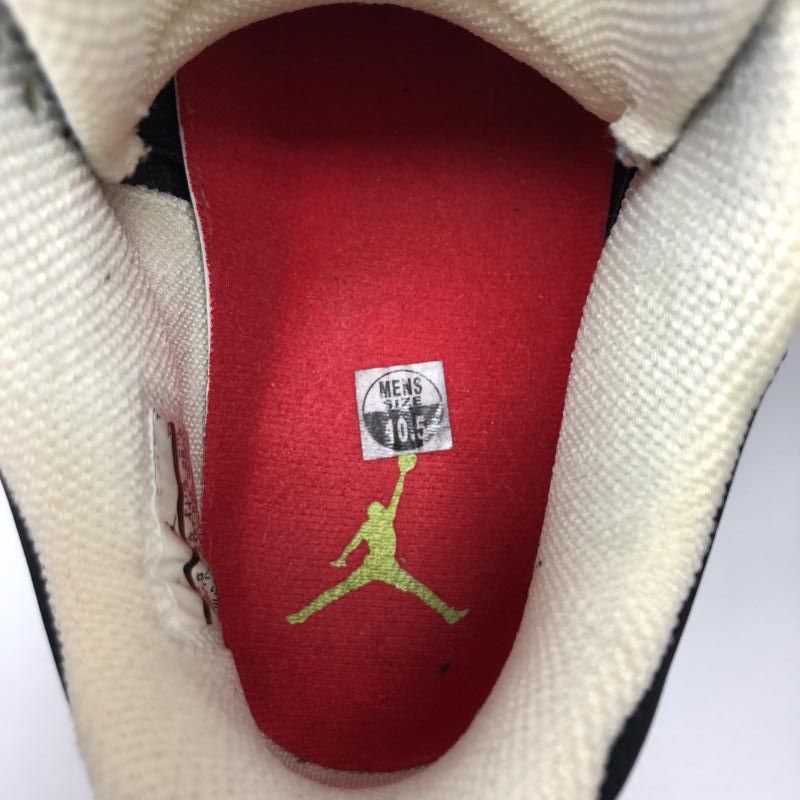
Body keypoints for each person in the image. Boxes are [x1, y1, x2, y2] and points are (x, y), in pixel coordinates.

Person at [287, 454, 468, 625]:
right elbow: (396, 496)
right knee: (417, 589)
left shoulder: (369, 525)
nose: (382, 506)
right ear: (376, 512)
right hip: (384, 566)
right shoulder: (385, 519)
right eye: (380, 506)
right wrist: (402, 474)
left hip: (376, 566)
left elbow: (352, 544)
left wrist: (342, 558)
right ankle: (448, 614)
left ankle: (304, 614)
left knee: (339, 590)